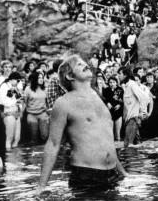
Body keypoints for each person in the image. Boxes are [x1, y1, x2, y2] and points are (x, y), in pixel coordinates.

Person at [38, 55, 128, 193]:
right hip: (86, 175)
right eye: (79, 65)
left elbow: (106, 140)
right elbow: (53, 144)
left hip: (113, 174)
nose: (85, 65)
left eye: (84, 63)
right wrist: (41, 186)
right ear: (69, 76)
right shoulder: (63, 103)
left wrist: (123, 173)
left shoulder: (96, 96)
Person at [120, 67, 151, 147]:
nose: (118, 76)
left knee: (129, 144)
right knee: (127, 144)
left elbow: (145, 97)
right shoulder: (126, 85)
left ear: (125, 75)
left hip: (133, 118)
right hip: (128, 118)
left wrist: (142, 112)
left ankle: (145, 148)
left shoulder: (132, 84)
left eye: (120, 74)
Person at [0, 72, 23, 148]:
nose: (18, 82)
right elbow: (4, 101)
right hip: (8, 112)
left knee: (17, 138)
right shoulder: (4, 86)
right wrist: (15, 101)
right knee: (9, 137)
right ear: (12, 79)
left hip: (17, 112)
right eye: (17, 81)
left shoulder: (16, 87)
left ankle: (16, 158)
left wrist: (20, 106)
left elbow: (20, 99)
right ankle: (8, 157)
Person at [23, 70, 49, 144]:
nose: (41, 79)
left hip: (43, 113)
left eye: (42, 77)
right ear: (35, 79)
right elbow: (24, 102)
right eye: (39, 78)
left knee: (44, 136)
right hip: (31, 114)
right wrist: (21, 114)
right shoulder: (28, 89)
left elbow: (48, 102)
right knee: (33, 137)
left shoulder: (45, 89)